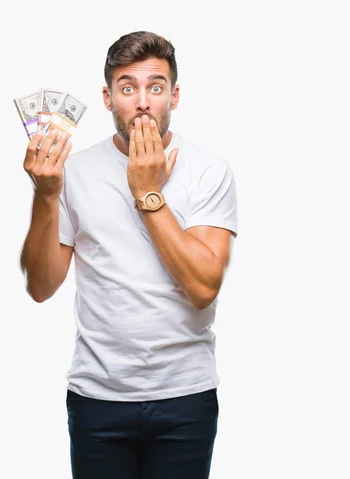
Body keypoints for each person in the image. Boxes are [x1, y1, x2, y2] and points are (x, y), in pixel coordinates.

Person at [19, 31, 238, 479]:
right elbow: (41, 287)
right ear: (107, 97)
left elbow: (202, 288)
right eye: (127, 87)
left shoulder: (209, 172)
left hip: (185, 397)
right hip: (97, 399)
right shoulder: (73, 172)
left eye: (155, 87)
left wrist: (148, 193)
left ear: (174, 96)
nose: (142, 102)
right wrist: (46, 194)